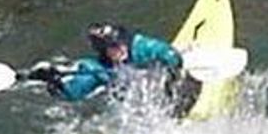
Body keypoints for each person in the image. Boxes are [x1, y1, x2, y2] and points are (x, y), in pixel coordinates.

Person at [28, 22, 184, 102]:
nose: (119, 50)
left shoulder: (141, 46)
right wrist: (54, 83)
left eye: (119, 44)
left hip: (172, 89)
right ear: (103, 52)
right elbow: (73, 94)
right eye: (112, 48)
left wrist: (171, 69)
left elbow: (169, 54)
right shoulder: (97, 69)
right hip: (141, 108)